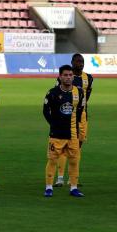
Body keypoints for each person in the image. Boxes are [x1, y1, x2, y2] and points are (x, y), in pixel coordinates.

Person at [43, 65, 85, 197]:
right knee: (53, 160)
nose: (68, 77)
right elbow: (45, 111)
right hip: (56, 134)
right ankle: (49, 187)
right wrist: (53, 124)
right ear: (60, 77)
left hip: (72, 134)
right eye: (65, 75)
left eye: (70, 75)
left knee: (74, 160)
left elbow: (80, 111)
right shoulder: (52, 93)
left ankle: (73, 188)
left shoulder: (79, 92)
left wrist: (76, 127)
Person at [55, 53, 93, 187]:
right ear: (72, 62)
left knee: (77, 147)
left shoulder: (88, 78)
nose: (80, 64)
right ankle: (60, 177)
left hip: (82, 116)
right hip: (66, 115)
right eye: (77, 61)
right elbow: (57, 94)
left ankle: (72, 179)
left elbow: (87, 96)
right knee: (64, 145)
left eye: (82, 61)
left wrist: (80, 110)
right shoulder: (65, 78)